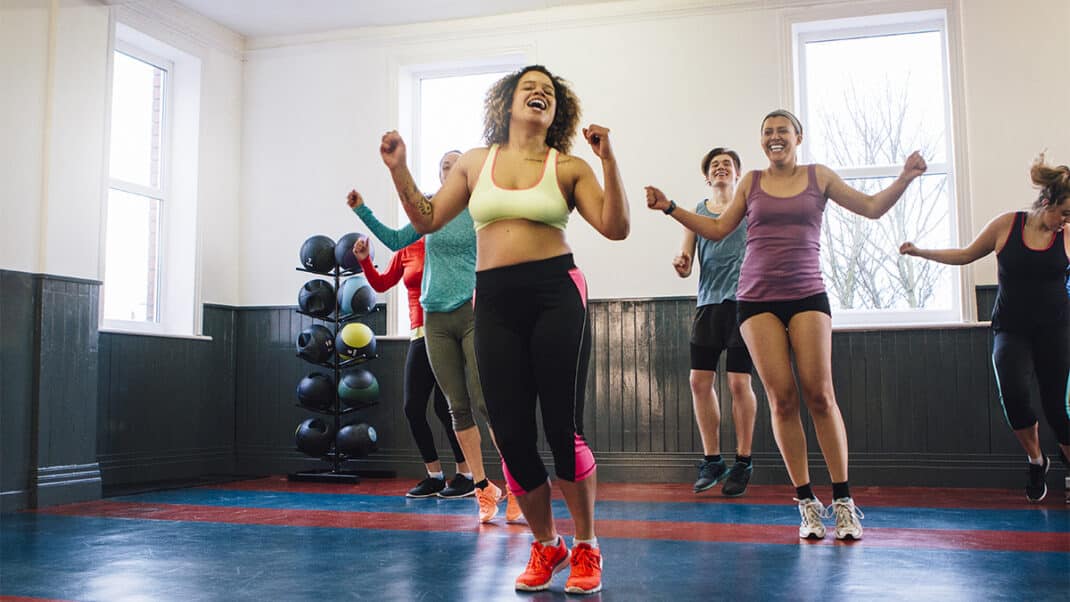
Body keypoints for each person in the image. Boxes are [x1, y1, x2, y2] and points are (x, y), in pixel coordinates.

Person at [375, 65, 628, 595]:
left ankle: (586, 545)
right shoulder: (474, 163)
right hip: (492, 300)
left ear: (557, 111)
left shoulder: (569, 166)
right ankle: (546, 544)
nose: (540, 94)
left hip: (556, 292)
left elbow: (615, 227)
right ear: (506, 102)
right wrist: (398, 169)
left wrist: (608, 159)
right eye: (528, 88)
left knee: (563, 429)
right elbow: (424, 218)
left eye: (550, 93)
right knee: (511, 435)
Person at [646, 109, 926, 540]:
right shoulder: (751, 182)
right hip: (756, 300)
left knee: (820, 394)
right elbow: (719, 229)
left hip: (807, 293)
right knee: (782, 400)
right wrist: (670, 208)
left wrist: (905, 178)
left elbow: (870, 208)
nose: (775, 137)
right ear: (762, 142)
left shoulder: (820, 177)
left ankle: (844, 500)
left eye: (783, 131)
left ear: (798, 137)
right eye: (768, 133)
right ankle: (806, 502)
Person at [347, 152, 523, 523]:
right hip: (433, 319)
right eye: (445, 166)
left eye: (457, 165)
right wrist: (362, 210)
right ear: (440, 176)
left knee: (485, 402)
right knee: (456, 407)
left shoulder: (480, 211)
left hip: (472, 313)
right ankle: (482, 489)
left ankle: (519, 485)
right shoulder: (428, 215)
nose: (450, 170)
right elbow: (395, 240)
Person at [900, 154, 1070, 502]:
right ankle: (1036, 460)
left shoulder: (1068, 236)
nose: (1066, 221)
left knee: (1058, 409)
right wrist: (921, 252)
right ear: (1047, 201)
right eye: (1064, 213)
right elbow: (965, 255)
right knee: (1015, 396)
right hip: (1011, 330)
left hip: (1056, 332)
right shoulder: (1007, 226)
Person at [648, 147, 758, 496]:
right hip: (709, 304)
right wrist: (682, 263)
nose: (722, 168)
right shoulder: (697, 211)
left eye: (728, 164)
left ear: (737, 174)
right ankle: (713, 460)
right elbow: (686, 259)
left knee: (739, 384)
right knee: (699, 381)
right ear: (708, 178)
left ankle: (743, 461)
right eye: (715, 166)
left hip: (744, 303)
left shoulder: (747, 208)